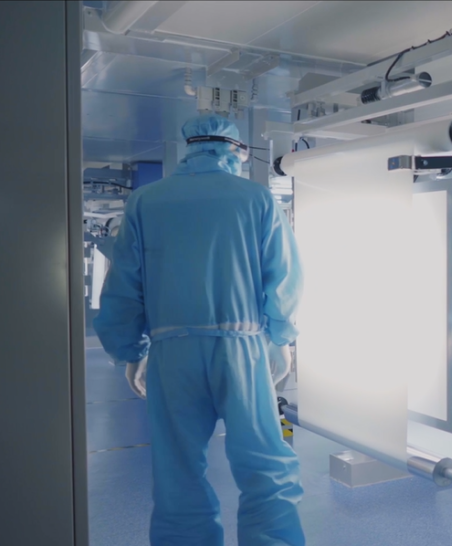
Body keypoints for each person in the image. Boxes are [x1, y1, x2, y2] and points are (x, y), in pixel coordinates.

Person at [95, 113, 305, 546]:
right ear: (235, 150)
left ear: (189, 149)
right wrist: (281, 338)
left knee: (178, 474)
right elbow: (283, 276)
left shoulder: (146, 201)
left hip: (171, 353)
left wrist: (131, 351)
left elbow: (123, 286)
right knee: (265, 468)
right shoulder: (256, 198)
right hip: (242, 349)